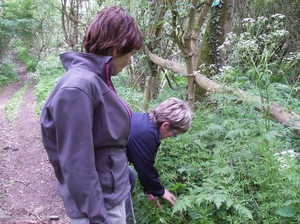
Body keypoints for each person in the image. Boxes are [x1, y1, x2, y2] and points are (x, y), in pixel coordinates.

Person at [40, 6, 142, 224]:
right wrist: (99, 219)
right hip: (101, 206)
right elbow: (77, 164)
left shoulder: (95, 79)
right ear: (116, 49)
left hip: (111, 193)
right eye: (131, 54)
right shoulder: (79, 87)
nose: (130, 61)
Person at [125, 97, 192, 222]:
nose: (172, 137)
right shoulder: (146, 133)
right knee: (122, 188)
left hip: (108, 157)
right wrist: (161, 191)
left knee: (130, 176)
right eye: (175, 133)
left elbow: (145, 162)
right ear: (165, 125)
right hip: (96, 161)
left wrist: (149, 189)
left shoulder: (146, 123)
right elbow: (145, 169)